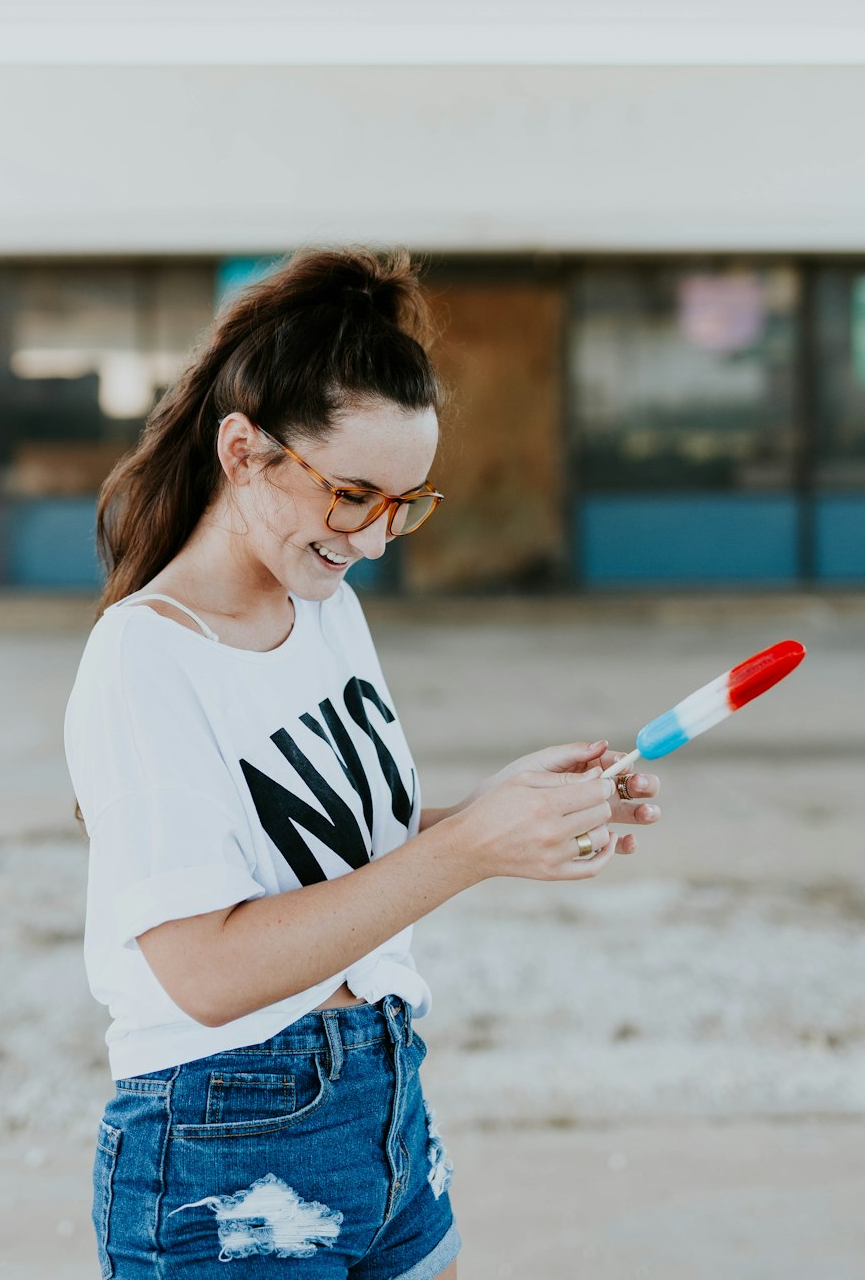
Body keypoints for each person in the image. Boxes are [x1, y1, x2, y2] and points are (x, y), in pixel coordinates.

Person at [64, 247, 662, 1279]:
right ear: (243, 452)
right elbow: (205, 973)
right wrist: (467, 852)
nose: (378, 539)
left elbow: (333, 866)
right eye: (353, 494)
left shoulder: (323, 611)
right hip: (223, 1136)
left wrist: (505, 814)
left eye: (405, 502)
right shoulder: (145, 656)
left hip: (383, 1093)